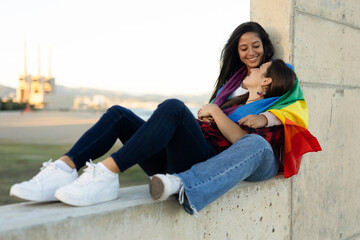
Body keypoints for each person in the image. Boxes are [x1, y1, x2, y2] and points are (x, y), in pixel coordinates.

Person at [10, 22, 321, 211]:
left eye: (259, 55)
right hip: (175, 160)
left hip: (202, 161)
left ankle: (106, 174)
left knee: (173, 106)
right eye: (244, 49)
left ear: (268, 77)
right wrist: (212, 112)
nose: (253, 60)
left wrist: (224, 113)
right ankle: (64, 168)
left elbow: (251, 144)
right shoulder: (232, 96)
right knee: (119, 114)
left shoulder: (276, 104)